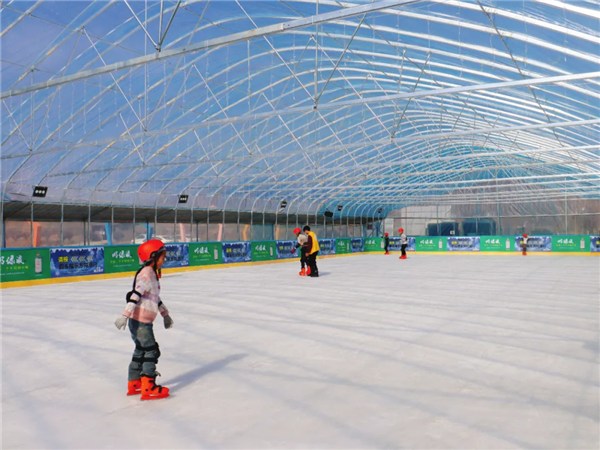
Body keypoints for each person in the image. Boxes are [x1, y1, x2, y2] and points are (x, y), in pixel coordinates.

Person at [115, 238, 174, 400]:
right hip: (141, 322)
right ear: (152, 256)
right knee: (151, 351)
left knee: (140, 350)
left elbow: (155, 298)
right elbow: (136, 294)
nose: (164, 259)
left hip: (140, 321)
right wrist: (125, 315)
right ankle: (148, 386)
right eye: (162, 256)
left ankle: (134, 383)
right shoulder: (147, 274)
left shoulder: (151, 273)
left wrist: (165, 314)